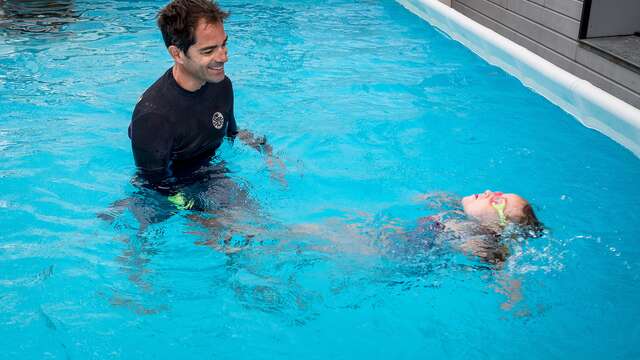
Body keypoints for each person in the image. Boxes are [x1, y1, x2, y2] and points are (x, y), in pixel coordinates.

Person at [129, 0, 283, 194]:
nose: (223, 57)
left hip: (213, 175)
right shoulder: (154, 116)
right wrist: (197, 214)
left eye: (224, 44)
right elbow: (153, 185)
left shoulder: (221, 85)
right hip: (172, 191)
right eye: (209, 50)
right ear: (177, 54)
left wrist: (267, 153)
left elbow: (232, 132)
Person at [414, 189, 544, 265]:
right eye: (499, 193)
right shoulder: (463, 211)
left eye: (498, 201)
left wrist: (514, 298)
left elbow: (500, 267)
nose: (488, 192)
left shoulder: (477, 239)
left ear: (498, 224)